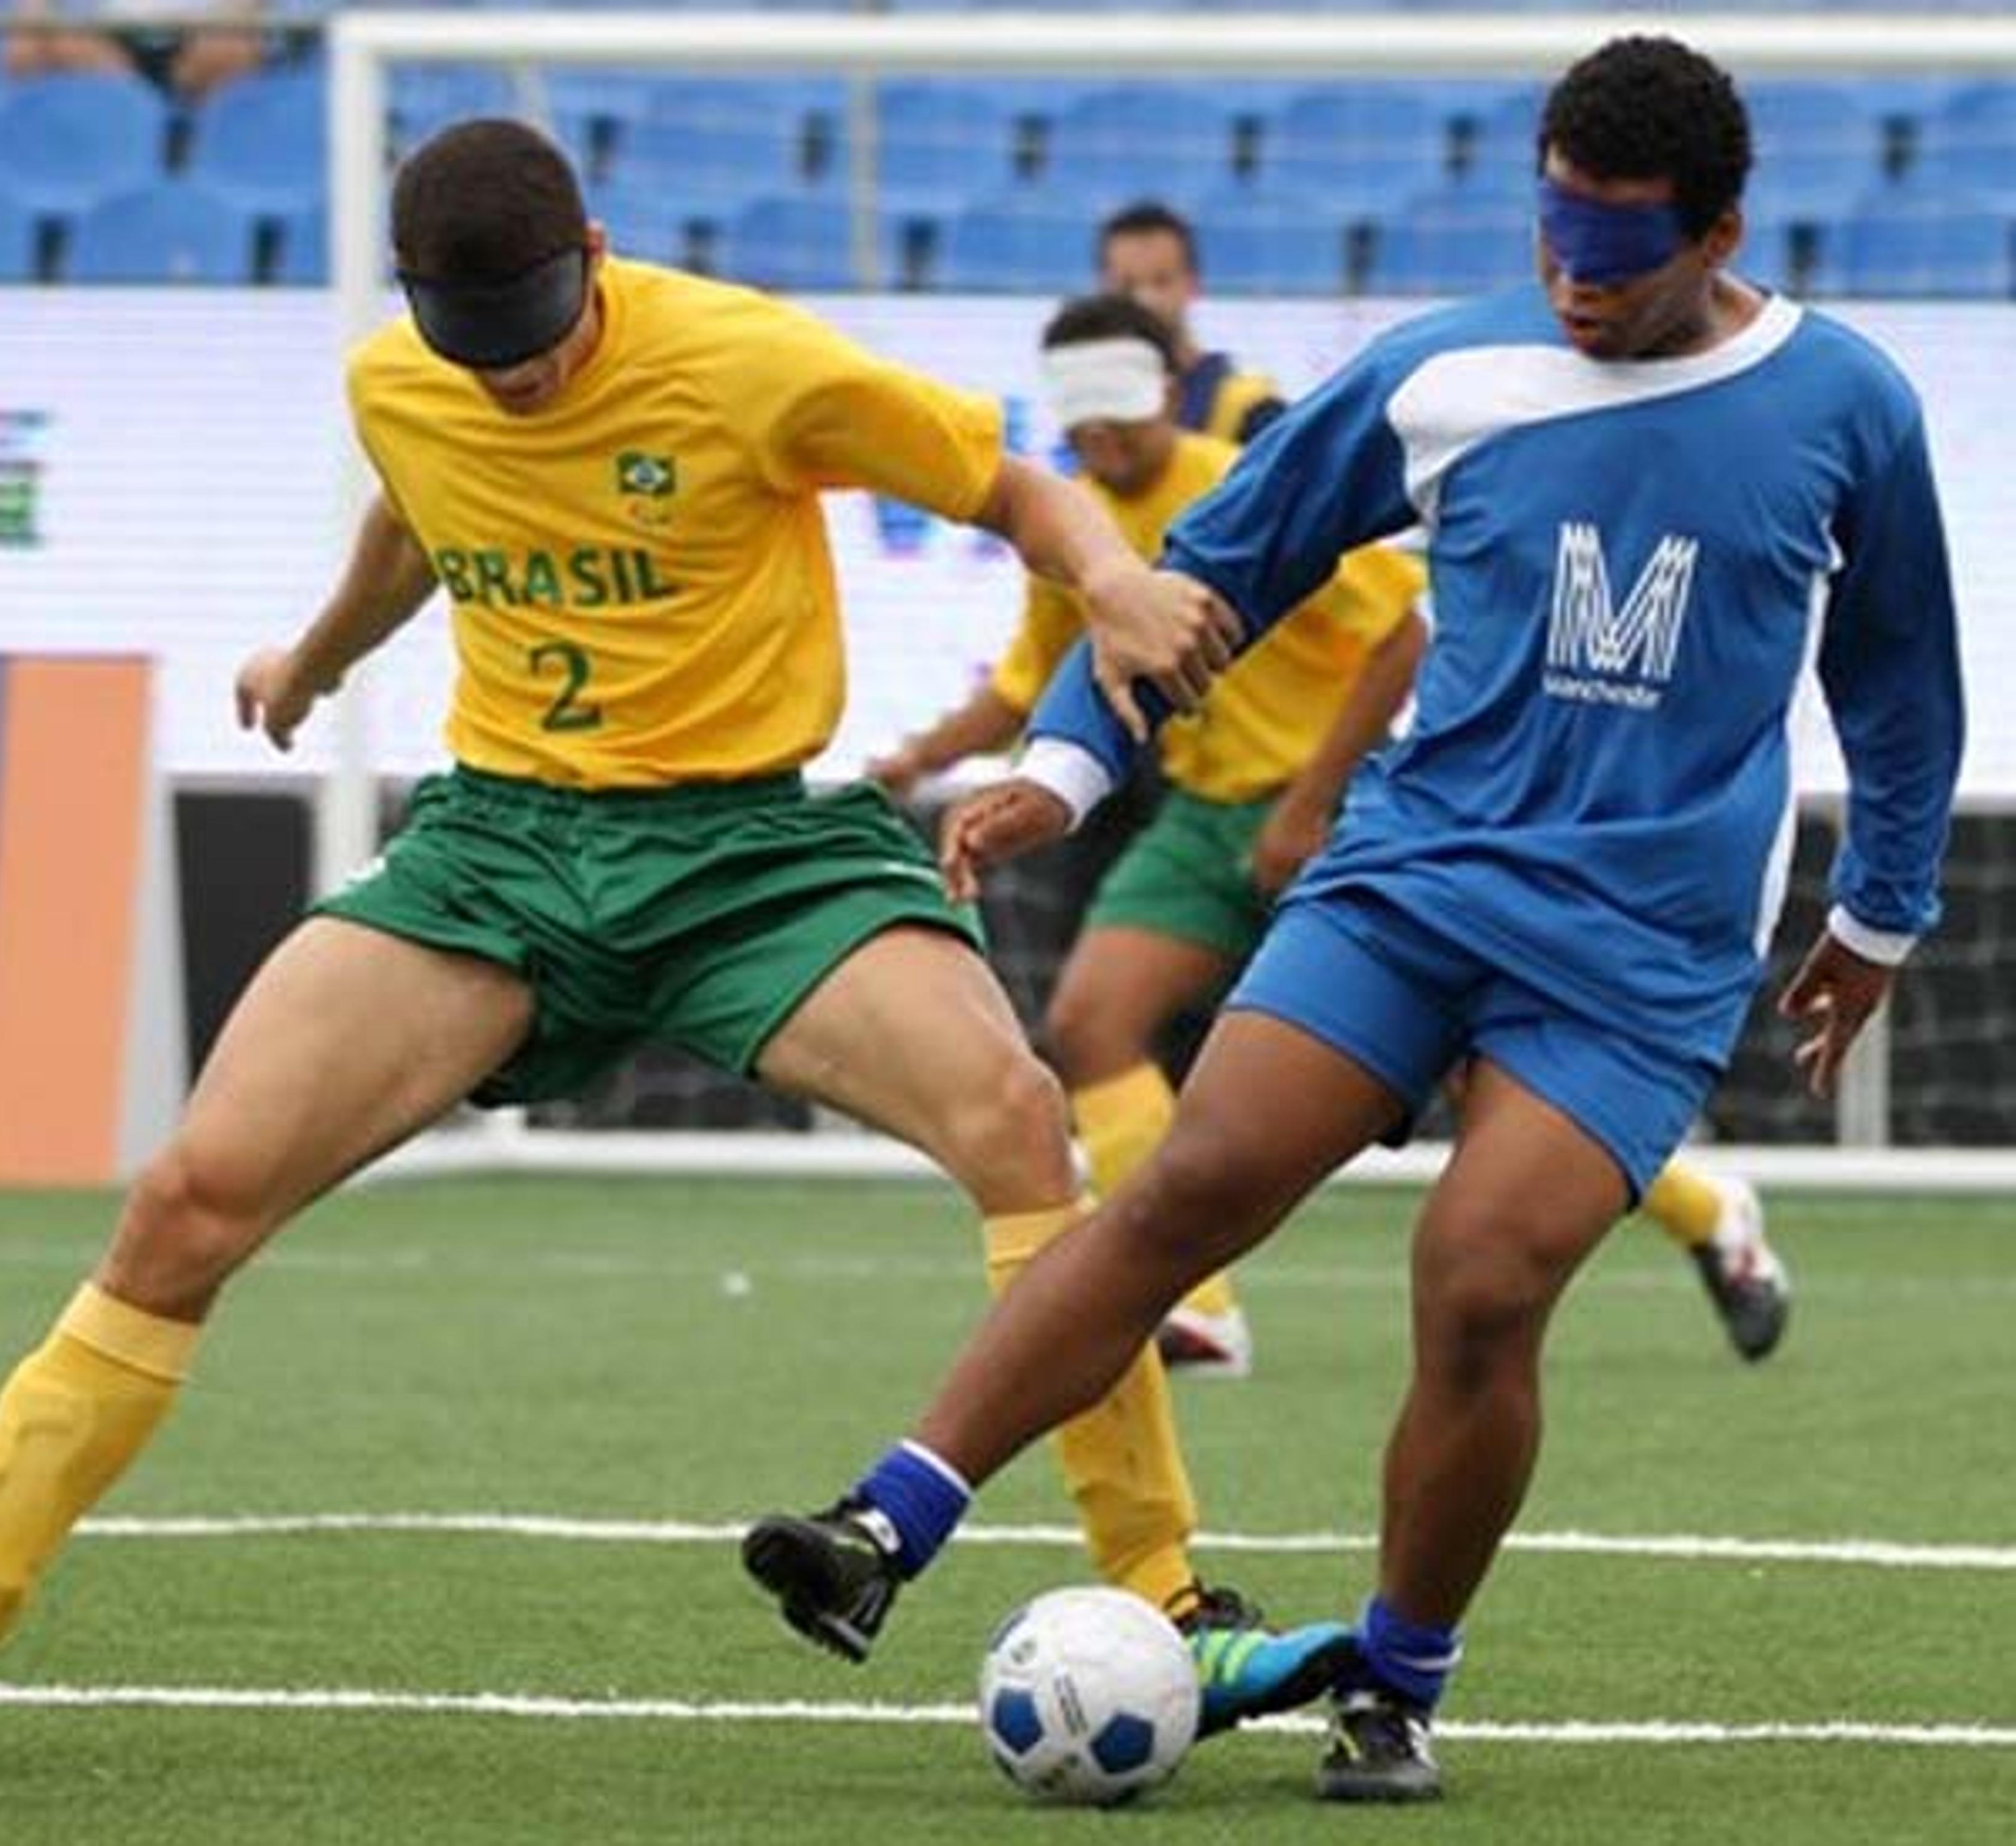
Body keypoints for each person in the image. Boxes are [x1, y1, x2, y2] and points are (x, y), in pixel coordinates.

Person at [0, 117, 1337, 1773]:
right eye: (480, 352)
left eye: (539, 343)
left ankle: (1175, 1607)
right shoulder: (405, 379)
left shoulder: (751, 363)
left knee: (1019, 1120)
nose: (515, 382)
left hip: (754, 851)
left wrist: (1116, 581)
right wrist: (316, 658)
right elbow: (418, 522)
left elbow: (1016, 483)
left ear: (595, 254)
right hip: (501, 856)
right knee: (189, 1195)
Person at [744, 35, 1961, 1806]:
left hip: (1638, 951)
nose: (1576, 284)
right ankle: (885, 1520)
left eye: (1618, 260)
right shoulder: (1440, 372)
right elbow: (1212, 568)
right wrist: (1071, 769)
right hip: (1411, 881)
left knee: (1477, 1280)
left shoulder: (1847, 403)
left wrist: (1884, 911)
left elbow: (1904, 677)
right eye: (1554, 240)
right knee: (1188, 1182)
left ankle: (1394, 1678)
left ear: (1720, 236)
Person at [871, 291, 1430, 1377]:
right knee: (1088, 1023)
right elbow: (1037, 685)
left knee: (1470, 1055)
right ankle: (1201, 1309)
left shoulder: (1242, 484)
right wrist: (922, 760)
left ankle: (1709, 1215)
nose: (1102, 435)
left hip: (1340, 805)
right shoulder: (1068, 523)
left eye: (1121, 409)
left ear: (1172, 390)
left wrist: (1311, 803)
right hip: (1206, 813)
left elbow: (1399, 636)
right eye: (1080, 417)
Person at [1097, 200, 1285, 443]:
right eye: (1126, 286)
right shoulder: (1092, 414)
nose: (1144, 301)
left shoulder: (1251, 410)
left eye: (1162, 282)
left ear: (1193, 285)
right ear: (1102, 291)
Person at [2, 0, 270, 103]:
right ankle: (131, 105)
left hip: (208, 30)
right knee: (41, 38)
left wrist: (233, 21)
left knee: (233, 44)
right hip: (110, 40)